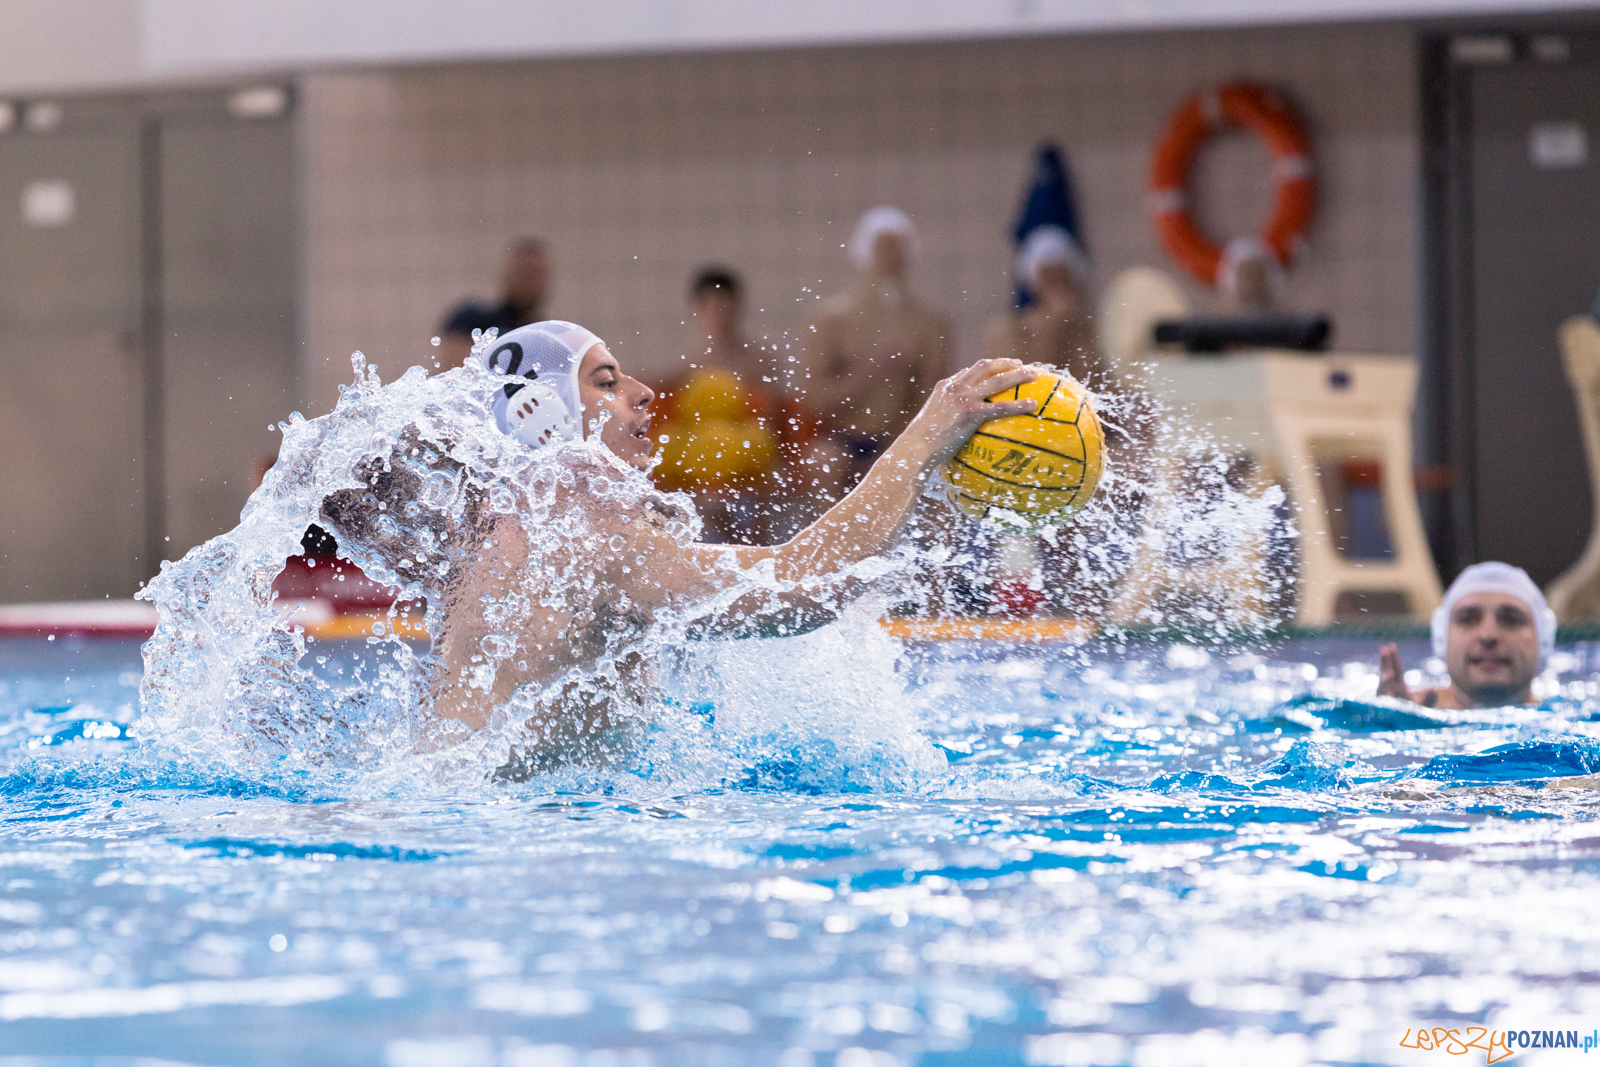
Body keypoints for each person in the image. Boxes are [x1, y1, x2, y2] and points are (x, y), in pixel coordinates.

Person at [318, 320, 1039, 769]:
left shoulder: (486, 531)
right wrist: (927, 434)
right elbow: (810, 583)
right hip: (495, 835)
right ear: (546, 416)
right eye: (604, 381)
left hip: (444, 805)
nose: (641, 392)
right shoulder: (594, 542)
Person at [650, 268, 820, 543]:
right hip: (706, 461)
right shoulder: (688, 364)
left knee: (760, 494)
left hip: (751, 456)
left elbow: (774, 423)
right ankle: (730, 551)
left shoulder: (759, 360)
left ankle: (755, 549)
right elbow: (681, 423)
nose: (719, 314)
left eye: (725, 305)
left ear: (739, 307)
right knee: (705, 492)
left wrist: (778, 464)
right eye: (711, 306)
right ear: (697, 311)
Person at [799, 207, 953, 500]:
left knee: (937, 470)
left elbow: (938, 400)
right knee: (822, 462)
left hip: (901, 438)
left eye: (899, 247)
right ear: (863, 251)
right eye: (884, 247)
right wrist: (871, 369)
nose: (892, 255)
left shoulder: (931, 323)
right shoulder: (831, 317)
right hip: (845, 437)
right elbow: (816, 400)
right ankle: (831, 546)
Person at [1377, 562, 1555, 709]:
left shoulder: (1566, 723)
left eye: (1510, 620)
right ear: (1441, 639)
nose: (1488, 635)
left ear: (1544, 640)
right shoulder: (1408, 709)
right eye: (1468, 619)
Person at [984, 225, 1102, 384]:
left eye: (1063, 278)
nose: (1057, 287)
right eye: (1050, 279)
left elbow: (1091, 387)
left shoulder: (1092, 334)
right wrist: (1055, 324)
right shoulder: (1007, 331)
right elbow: (1034, 383)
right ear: (1033, 282)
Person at [437, 238, 552, 368]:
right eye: (525, 273)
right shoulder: (471, 318)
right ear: (505, 275)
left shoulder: (545, 333)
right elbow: (454, 374)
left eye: (538, 274)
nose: (530, 281)